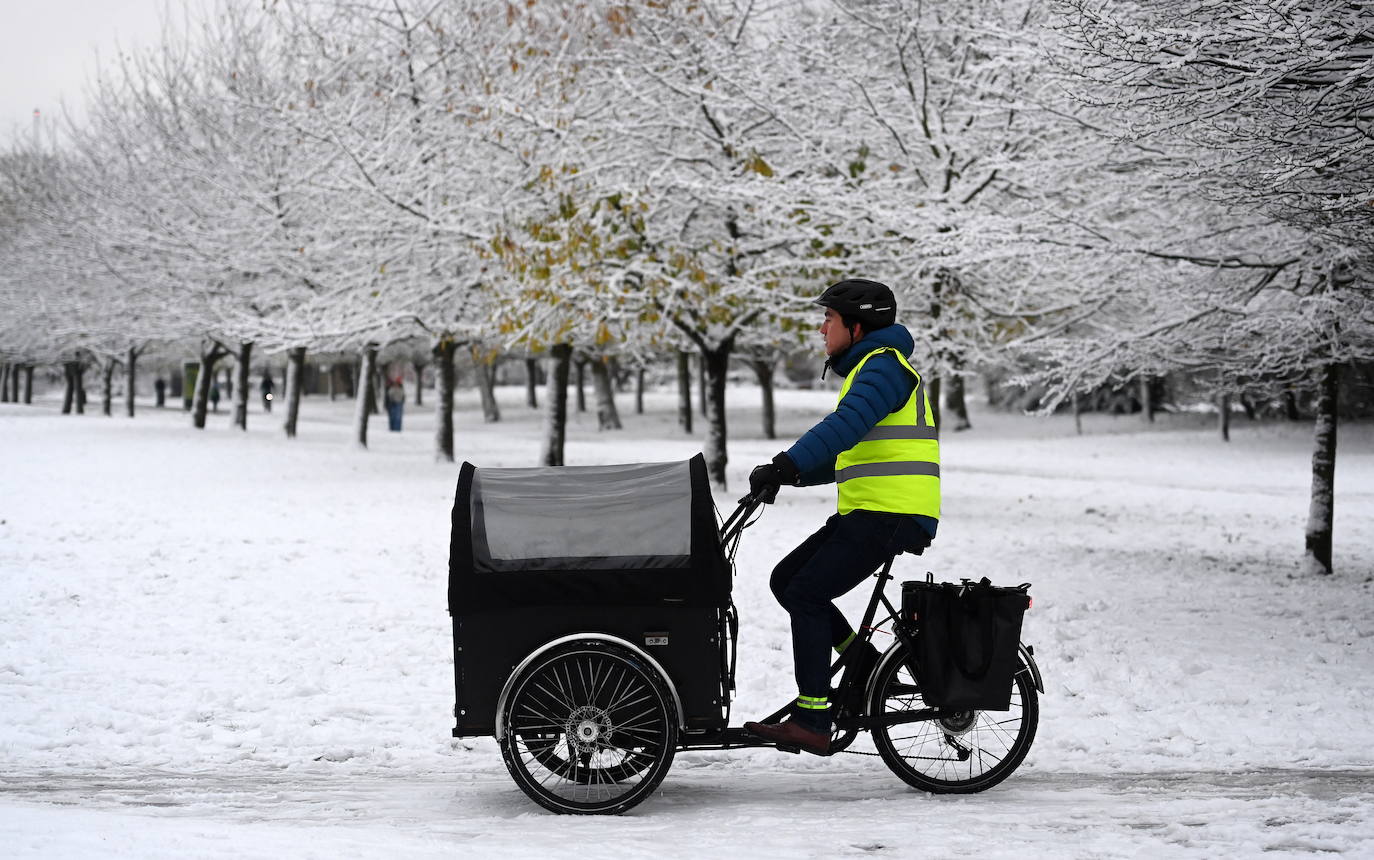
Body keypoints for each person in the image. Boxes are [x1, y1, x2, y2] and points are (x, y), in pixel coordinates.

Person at [743, 279, 940, 756]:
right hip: (872, 510)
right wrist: (787, 478)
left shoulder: (883, 369)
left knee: (807, 592)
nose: (821, 328)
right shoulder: (873, 369)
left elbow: (844, 427)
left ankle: (813, 717)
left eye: (828, 319)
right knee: (787, 579)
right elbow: (851, 455)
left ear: (857, 325)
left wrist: (788, 461)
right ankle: (868, 669)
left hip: (890, 512)